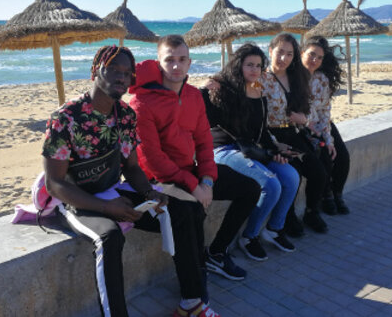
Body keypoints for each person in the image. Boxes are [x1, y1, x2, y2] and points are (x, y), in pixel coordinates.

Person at [43, 45, 218, 317]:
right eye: (113, 69)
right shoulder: (66, 117)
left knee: (183, 209)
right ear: (95, 70)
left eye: (127, 73)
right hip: (74, 199)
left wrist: (150, 193)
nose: (121, 77)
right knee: (109, 237)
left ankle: (191, 303)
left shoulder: (125, 115)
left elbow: (132, 167)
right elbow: (54, 184)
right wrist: (106, 208)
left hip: (111, 190)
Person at [129, 35, 259, 286]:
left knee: (250, 188)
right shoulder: (141, 102)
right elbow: (153, 159)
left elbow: (204, 141)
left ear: (190, 62)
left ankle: (216, 253)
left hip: (189, 170)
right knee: (193, 209)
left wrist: (207, 179)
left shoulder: (193, 95)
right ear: (158, 63)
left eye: (182, 59)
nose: (176, 66)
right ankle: (196, 271)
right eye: (169, 60)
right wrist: (194, 185)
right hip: (158, 180)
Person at [201, 43, 300, 261]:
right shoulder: (222, 90)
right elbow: (203, 114)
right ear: (239, 65)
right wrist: (204, 89)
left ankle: (274, 229)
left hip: (251, 149)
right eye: (249, 65)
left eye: (258, 65)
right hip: (223, 150)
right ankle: (249, 237)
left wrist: (274, 150)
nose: (254, 69)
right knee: (271, 184)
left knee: (291, 177)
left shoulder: (258, 91)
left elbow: (260, 132)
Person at [262, 33, 329, 235]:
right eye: (280, 52)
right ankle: (287, 218)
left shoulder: (296, 77)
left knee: (319, 172)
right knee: (294, 175)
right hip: (271, 135)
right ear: (270, 51)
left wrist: (305, 120)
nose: (284, 58)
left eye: (289, 54)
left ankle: (311, 212)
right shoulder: (261, 79)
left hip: (293, 133)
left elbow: (308, 108)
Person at [301, 36, 351, 216]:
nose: (314, 60)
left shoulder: (322, 79)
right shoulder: (291, 76)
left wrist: (328, 139)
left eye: (319, 57)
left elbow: (324, 111)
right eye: (311, 55)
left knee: (342, 156)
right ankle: (326, 195)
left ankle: (337, 194)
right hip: (302, 126)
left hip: (321, 122)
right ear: (302, 53)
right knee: (324, 158)